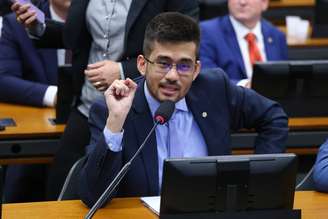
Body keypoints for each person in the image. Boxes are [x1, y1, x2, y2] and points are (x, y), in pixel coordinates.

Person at [78, 12, 288, 208]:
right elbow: (93, 197)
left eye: (184, 65)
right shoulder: (113, 108)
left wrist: (258, 179)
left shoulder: (215, 89)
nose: (172, 75)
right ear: (142, 65)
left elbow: (273, 117)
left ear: (196, 69)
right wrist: (115, 122)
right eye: (163, 63)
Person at [11, 0, 199, 200]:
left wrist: (121, 70)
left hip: (136, 111)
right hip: (88, 105)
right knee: (60, 191)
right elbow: (77, 36)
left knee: (125, 192)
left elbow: (183, 49)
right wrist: (39, 25)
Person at [0, 0, 71, 202]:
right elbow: (3, 80)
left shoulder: (105, 24)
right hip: (38, 132)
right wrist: (56, 96)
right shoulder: (19, 23)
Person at [199, 0, 288, 87]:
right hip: (230, 99)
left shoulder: (277, 36)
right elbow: (207, 76)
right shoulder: (207, 32)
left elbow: (284, 77)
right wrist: (245, 85)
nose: (242, 2)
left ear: (264, 3)